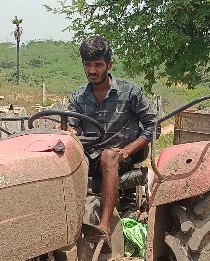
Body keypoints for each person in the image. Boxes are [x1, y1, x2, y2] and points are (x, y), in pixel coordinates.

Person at [67, 35, 158, 236]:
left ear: (109, 64)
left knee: (109, 155)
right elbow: (73, 128)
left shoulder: (131, 92)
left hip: (120, 157)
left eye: (98, 65)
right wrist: (69, 132)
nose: (92, 71)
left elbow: (153, 125)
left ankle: (104, 226)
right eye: (87, 65)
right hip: (89, 156)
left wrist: (128, 150)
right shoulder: (77, 97)